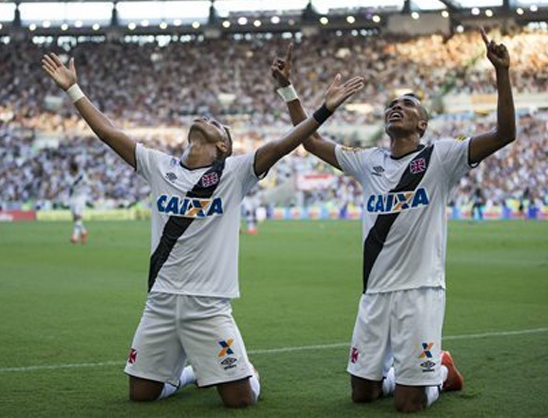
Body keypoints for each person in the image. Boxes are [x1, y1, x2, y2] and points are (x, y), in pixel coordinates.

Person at [41, 52, 365, 408]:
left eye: (215, 123)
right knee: (141, 394)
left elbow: (284, 144)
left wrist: (322, 108)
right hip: (161, 301)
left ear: (222, 146)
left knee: (240, 399)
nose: (205, 119)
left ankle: (247, 371)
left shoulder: (235, 173)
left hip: (208, 306)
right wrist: (73, 90)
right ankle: (190, 373)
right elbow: (107, 132)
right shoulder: (158, 166)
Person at [273, 29, 515, 412]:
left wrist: (502, 73)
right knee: (362, 394)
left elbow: (504, 134)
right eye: (391, 106)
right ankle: (408, 374)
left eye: (407, 105)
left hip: (420, 291)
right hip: (375, 293)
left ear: (423, 125)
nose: (395, 108)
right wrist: (289, 90)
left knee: (409, 404)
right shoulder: (369, 161)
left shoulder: (442, 157)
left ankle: (441, 372)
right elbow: (311, 142)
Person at [67, 160, 90, 244]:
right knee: (75, 218)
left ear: (73, 169)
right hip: (72, 198)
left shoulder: (82, 175)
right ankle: (84, 232)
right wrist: (54, 193)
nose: (68, 170)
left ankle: (75, 236)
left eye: (69, 168)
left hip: (81, 197)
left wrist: (97, 191)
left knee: (78, 216)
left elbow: (88, 183)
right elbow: (63, 186)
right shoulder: (68, 177)